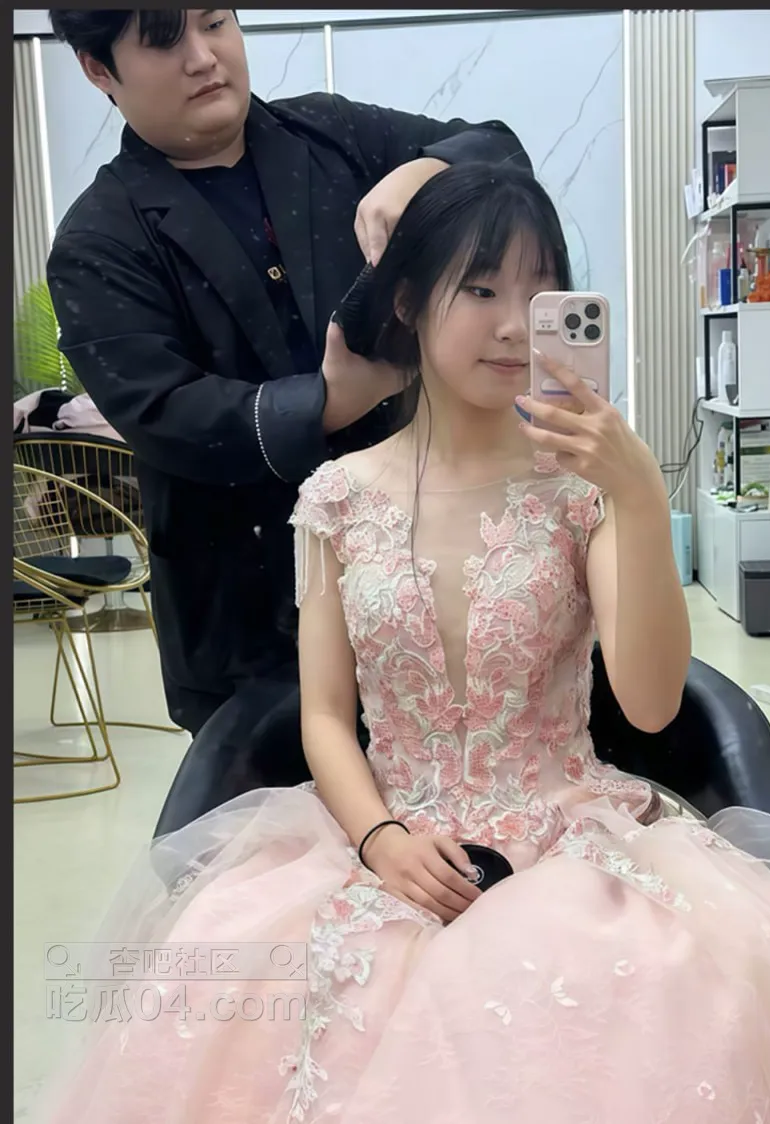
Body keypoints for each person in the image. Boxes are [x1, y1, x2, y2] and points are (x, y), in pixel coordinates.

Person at [37, 163, 770, 1124]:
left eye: (537, 294)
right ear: (408, 303)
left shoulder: (582, 492)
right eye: (479, 290)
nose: (513, 325)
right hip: (383, 837)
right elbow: (324, 715)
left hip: (568, 843)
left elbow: (647, 705)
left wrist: (638, 493)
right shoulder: (337, 498)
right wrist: (380, 839)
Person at [45, 9, 531, 831]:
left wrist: (426, 171)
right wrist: (333, 399)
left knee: (457, 829)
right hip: (246, 612)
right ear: (100, 70)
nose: (205, 58)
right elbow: (166, 414)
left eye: (216, 22)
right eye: (165, 41)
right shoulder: (99, 239)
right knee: (283, 856)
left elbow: (498, 151)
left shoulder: (332, 135)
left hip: (418, 582)